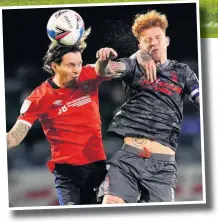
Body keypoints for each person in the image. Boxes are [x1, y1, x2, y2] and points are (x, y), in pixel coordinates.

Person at [95, 10, 200, 203]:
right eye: (147, 39)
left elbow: (203, 101)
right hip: (129, 158)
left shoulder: (183, 71)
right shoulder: (133, 66)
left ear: (167, 40)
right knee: (109, 208)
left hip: (163, 167)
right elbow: (107, 70)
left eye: (157, 37)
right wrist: (103, 61)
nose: (153, 42)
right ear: (140, 45)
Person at [6, 30, 111, 205]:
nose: (77, 70)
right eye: (70, 65)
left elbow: (102, 70)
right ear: (55, 66)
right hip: (68, 174)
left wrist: (105, 59)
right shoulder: (39, 97)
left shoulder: (87, 76)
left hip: (98, 167)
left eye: (79, 63)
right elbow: (14, 138)